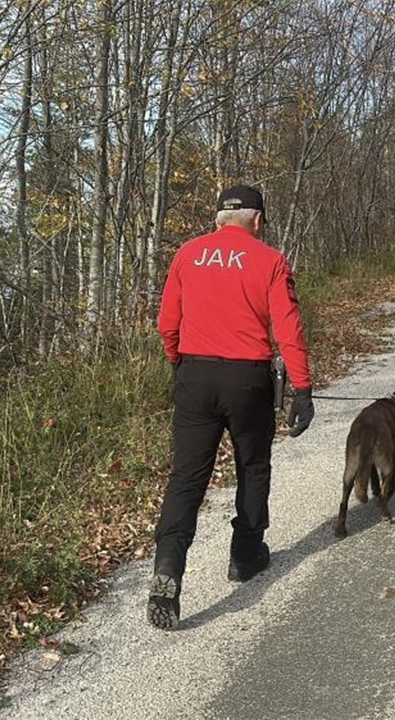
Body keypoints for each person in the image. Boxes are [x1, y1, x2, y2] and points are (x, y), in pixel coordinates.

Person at [150, 184, 315, 629]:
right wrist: (302, 388)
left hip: (195, 374)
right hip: (248, 378)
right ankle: (245, 554)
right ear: (257, 220)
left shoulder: (188, 254)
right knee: (253, 466)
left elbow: (167, 323)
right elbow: (289, 328)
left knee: (187, 477)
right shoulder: (270, 260)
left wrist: (178, 362)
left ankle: (169, 564)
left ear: (218, 218)